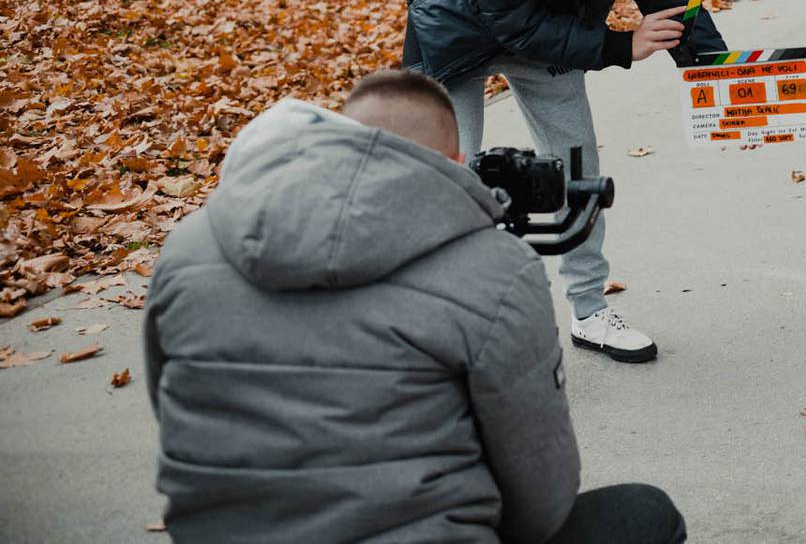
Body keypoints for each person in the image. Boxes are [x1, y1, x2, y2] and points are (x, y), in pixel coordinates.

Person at [142, 72, 688, 543]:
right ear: (455, 164)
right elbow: (541, 502)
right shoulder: (494, 267)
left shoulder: (190, 246)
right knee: (644, 513)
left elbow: (171, 408)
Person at [403, 0, 725, 362]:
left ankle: (589, 309)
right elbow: (507, 19)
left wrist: (724, 86)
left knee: (578, 164)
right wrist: (621, 47)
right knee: (453, 173)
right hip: (457, 21)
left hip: (547, 25)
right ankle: (446, 318)